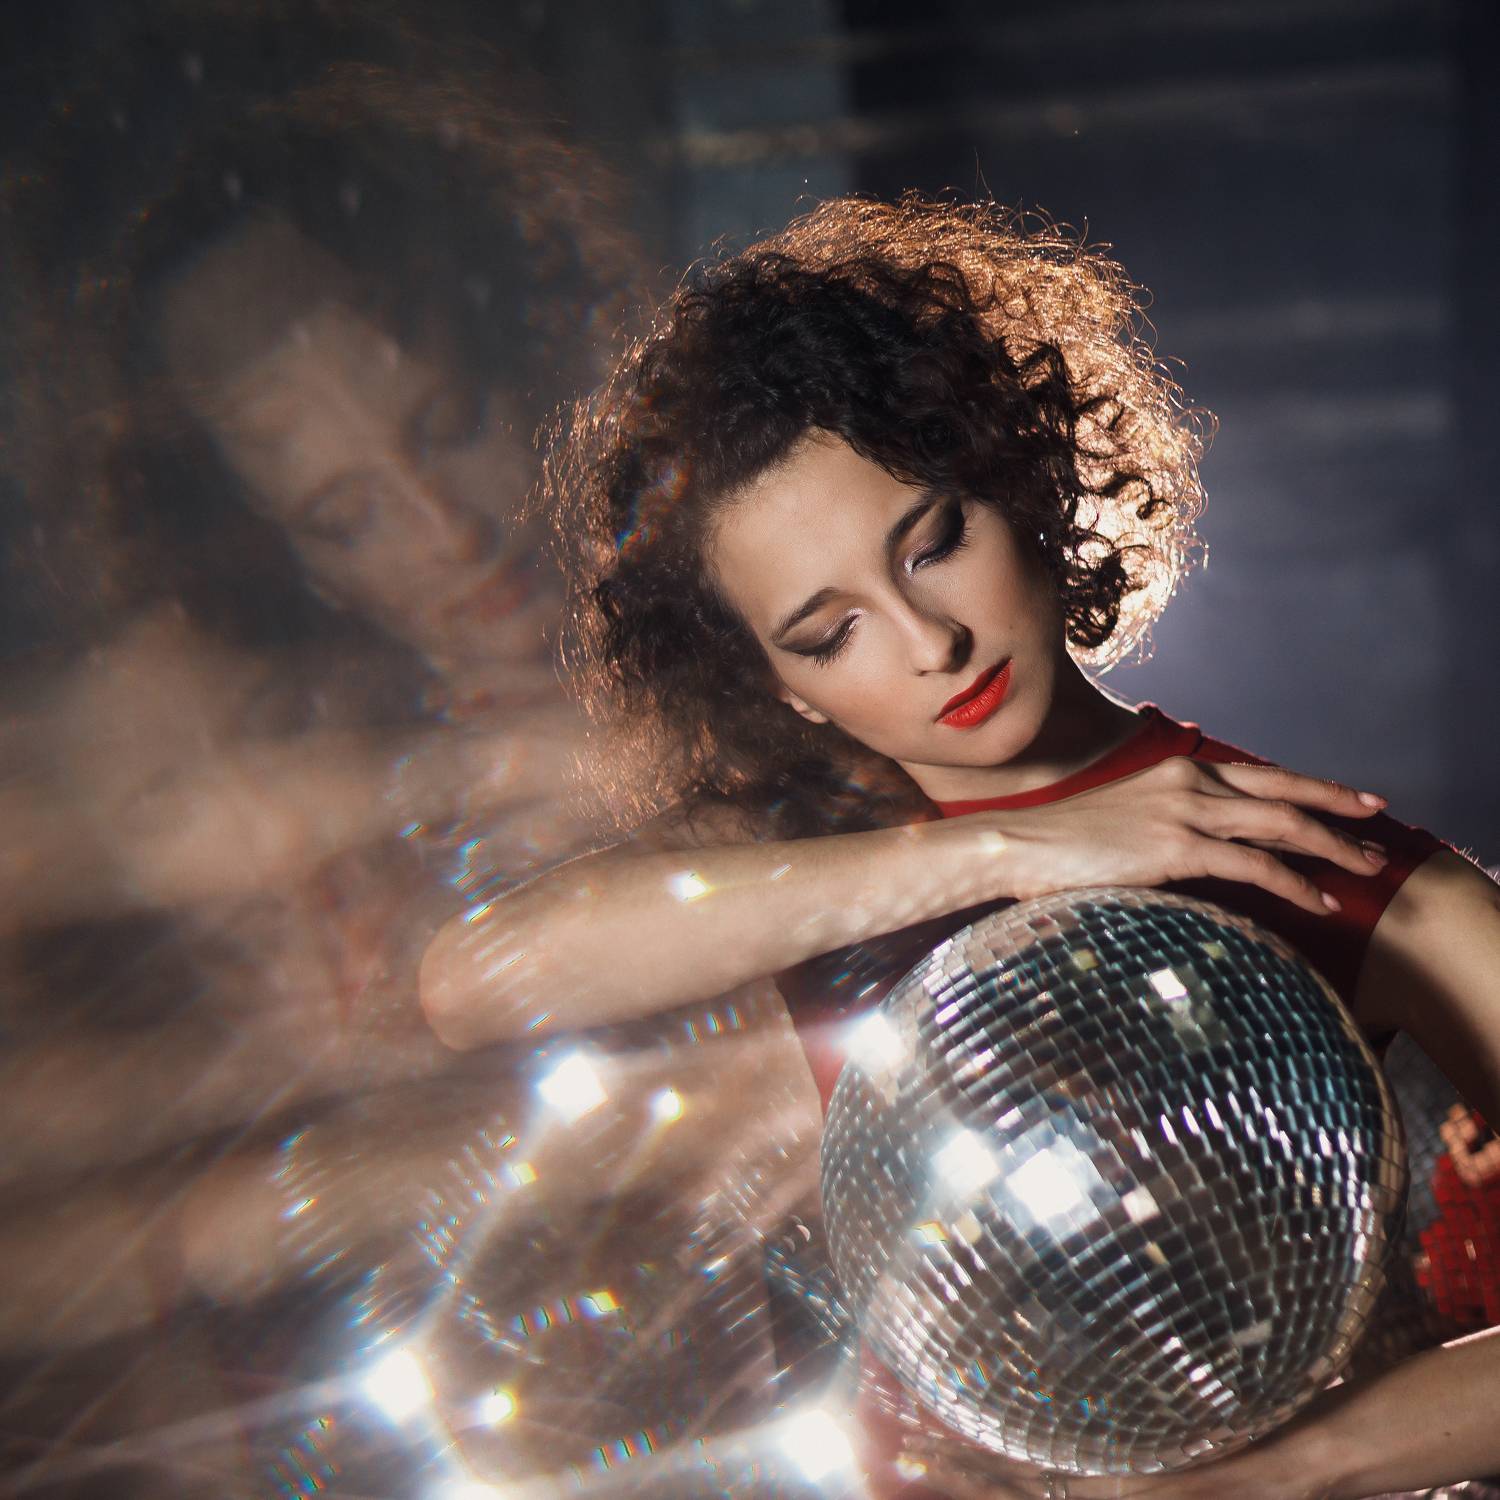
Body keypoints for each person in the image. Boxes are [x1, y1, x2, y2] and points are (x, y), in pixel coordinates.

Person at [419, 194, 1500, 1499]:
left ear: (1020, 478)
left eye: (934, 543)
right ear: (780, 688)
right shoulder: (794, 872)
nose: (930, 643)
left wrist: (1278, 1477)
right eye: (830, 633)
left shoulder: (1315, 862)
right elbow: (474, 984)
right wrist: (1018, 852)